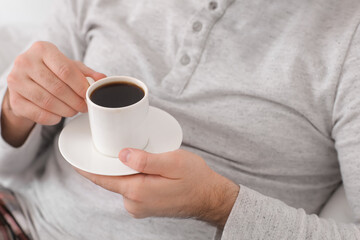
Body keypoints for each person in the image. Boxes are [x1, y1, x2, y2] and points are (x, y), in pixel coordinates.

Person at [1, 0, 360, 239]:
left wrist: (218, 204)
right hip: (21, 218)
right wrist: (15, 109)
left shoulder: (349, 39)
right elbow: (9, 161)